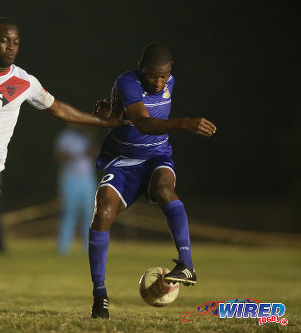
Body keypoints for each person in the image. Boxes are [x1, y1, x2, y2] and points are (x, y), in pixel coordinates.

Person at [0, 17, 128, 319]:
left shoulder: (25, 82)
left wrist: (105, 121)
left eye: (16, 42)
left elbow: (58, 108)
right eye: (5, 40)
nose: (12, 46)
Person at [88, 42, 217, 319]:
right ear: (141, 68)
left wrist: (114, 110)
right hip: (123, 161)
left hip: (157, 155)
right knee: (103, 213)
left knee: (165, 189)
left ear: (169, 71)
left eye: (163, 75)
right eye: (152, 76)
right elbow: (144, 123)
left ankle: (186, 264)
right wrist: (185, 123)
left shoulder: (171, 80)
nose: (158, 82)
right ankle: (100, 295)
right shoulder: (127, 81)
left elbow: (131, 115)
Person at [54, 124, 97, 255]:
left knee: (89, 215)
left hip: (88, 179)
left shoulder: (87, 137)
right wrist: (76, 155)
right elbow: (59, 157)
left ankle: (89, 249)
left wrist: (91, 138)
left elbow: (96, 153)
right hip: (70, 179)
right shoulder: (65, 137)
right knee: (69, 213)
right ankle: (63, 249)